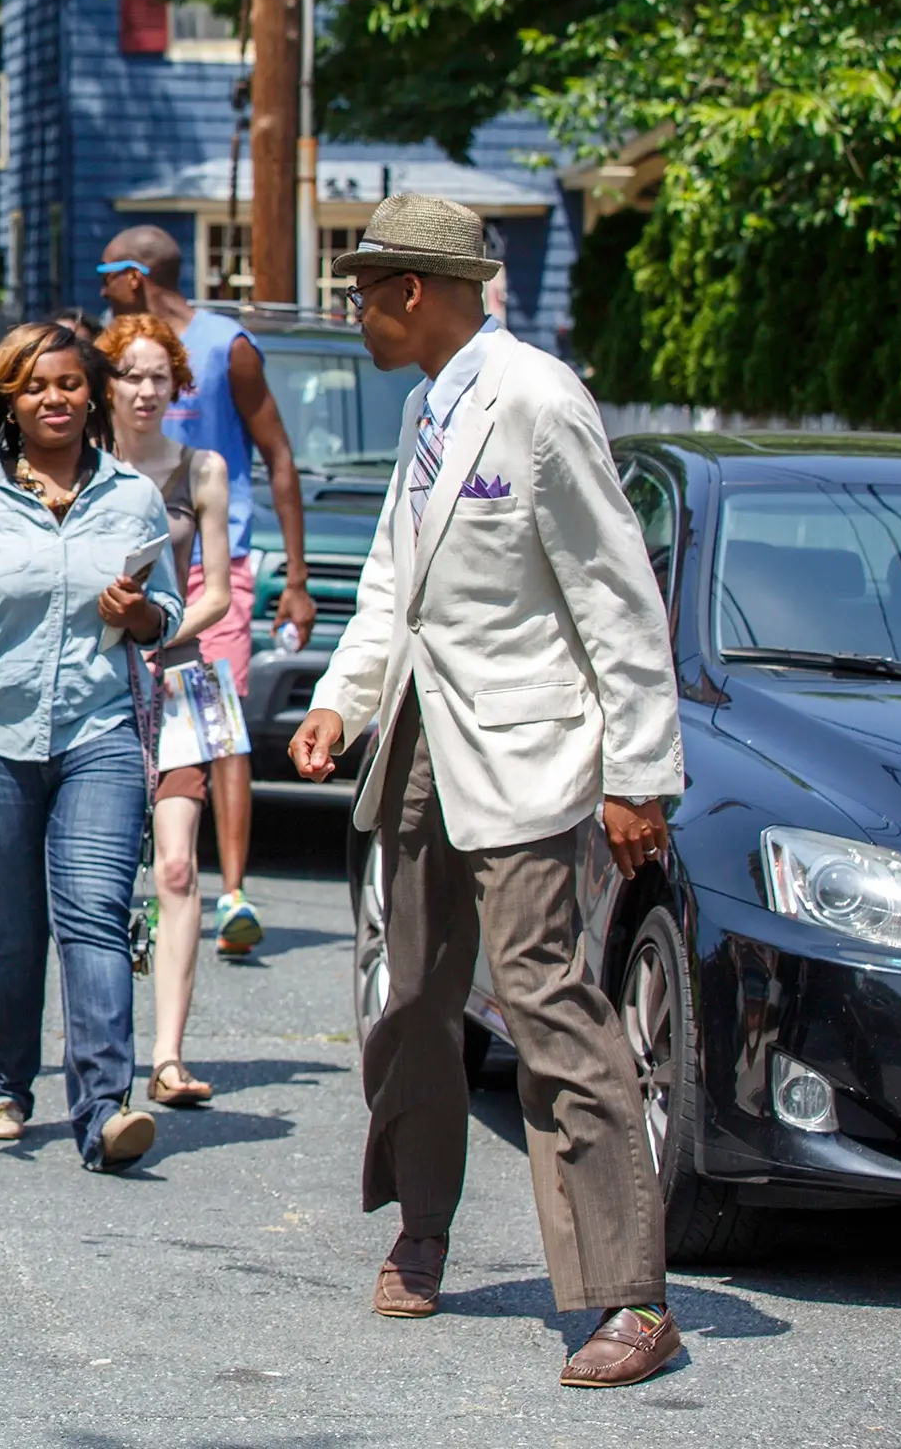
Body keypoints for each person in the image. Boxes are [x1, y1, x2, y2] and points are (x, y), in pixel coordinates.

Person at [287, 194, 685, 1390]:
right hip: (419, 738)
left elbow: (619, 597)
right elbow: (394, 582)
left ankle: (632, 1295)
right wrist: (340, 701)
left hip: (525, 755)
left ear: (415, 289)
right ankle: (422, 1224)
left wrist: (636, 775)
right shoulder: (426, 405)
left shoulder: (538, 399)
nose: (355, 311)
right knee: (413, 997)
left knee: (546, 999)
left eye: (364, 291)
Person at [0, 320, 180, 1172]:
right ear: (9, 404)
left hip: (100, 732)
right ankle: (5, 1085)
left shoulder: (131, 496)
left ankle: (105, 1108)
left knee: (94, 913)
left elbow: (164, 614)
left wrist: (136, 615)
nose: (53, 398)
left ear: (90, 393)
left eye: (67, 383)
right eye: (35, 386)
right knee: (13, 925)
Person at [97, 227, 317, 960]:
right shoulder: (116, 356)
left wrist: (299, 576)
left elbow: (279, 457)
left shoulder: (228, 347)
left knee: (217, 729)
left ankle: (232, 892)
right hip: (131, 569)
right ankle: (154, 882)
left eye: (108, 276)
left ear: (134, 276)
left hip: (217, 566)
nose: (102, 291)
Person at [101, 313, 234, 1111]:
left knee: (180, 865)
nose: (147, 391)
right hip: (99, 683)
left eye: (160, 377)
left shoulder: (200, 471)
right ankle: (103, 1046)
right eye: (133, 376)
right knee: (106, 875)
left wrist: (156, 633)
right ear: (107, 386)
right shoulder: (83, 468)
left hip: (181, 680)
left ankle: (169, 1053)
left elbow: (215, 590)